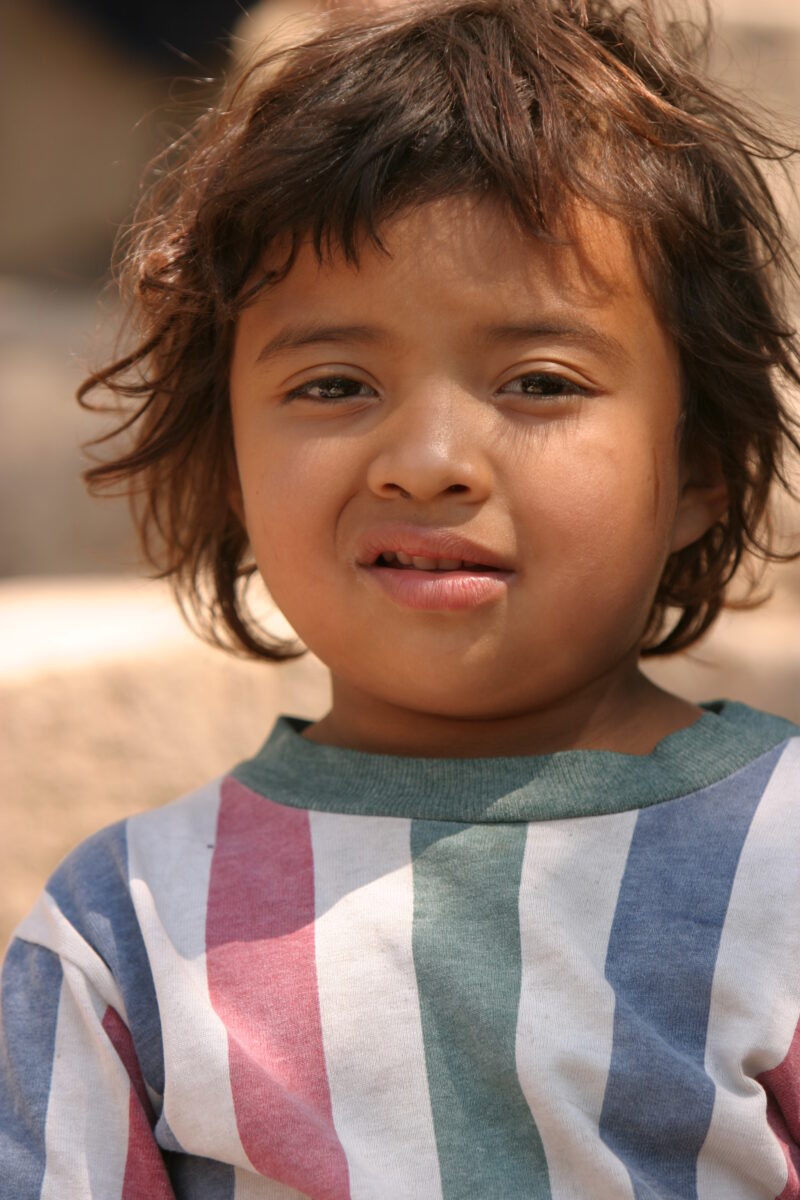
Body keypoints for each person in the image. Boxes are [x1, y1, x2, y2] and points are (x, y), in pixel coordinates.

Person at [2, 0, 800, 1194]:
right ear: (228, 463)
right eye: (332, 385)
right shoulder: (124, 930)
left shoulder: (780, 864)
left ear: (695, 468)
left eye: (537, 380)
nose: (426, 456)